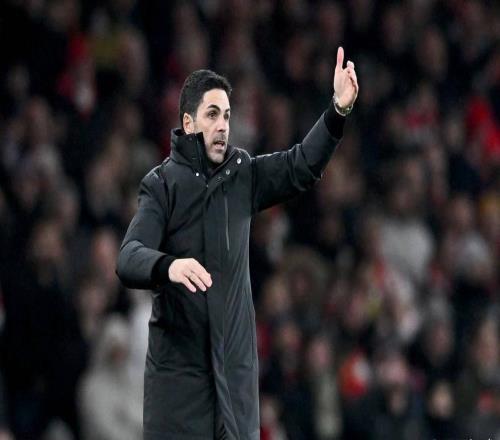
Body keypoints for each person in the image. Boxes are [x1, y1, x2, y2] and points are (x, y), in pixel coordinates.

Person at [116, 46, 359, 440]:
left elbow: (301, 165)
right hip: (179, 386)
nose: (223, 126)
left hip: (235, 379)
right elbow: (128, 257)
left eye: (227, 116)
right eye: (212, 114)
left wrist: (338, 110)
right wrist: (169, 265)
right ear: (188, 122)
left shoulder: (242, 174)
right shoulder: (161, 186)